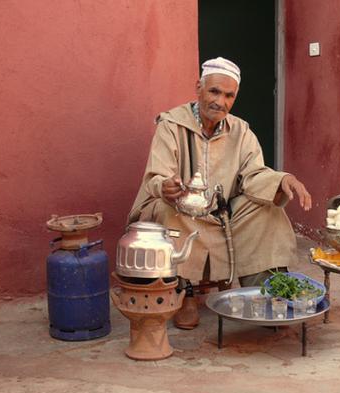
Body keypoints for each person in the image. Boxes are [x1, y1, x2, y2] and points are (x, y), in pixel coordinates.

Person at [128, 57, 312, 328]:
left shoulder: (241, 131)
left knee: (268, 210)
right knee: (169, 211)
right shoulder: (171, 125)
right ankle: (184, 292)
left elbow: (254, 175)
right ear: (198, 88)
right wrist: (165, 186)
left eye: (229, 96)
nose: (221, 102)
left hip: (223, 213)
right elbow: (156, 176)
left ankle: (264, 293)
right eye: (214, 92)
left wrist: (283, 179)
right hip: (181, 208)